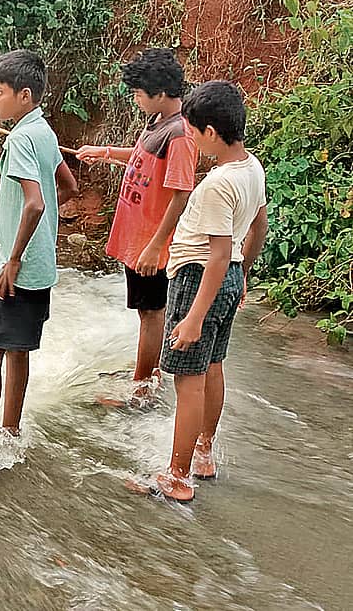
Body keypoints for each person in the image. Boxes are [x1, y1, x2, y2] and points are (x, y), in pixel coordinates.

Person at [154, 80, 268, 502]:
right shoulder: (252, 168)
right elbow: (258, 228)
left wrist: (193, 318)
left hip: (198, 279)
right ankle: (203, 453)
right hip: (228, 278)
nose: (191, 139)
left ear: (212, 133)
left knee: (188, 380)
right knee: (213, 365)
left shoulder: (219, 184)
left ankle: (177, 477)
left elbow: (217, 254)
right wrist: (243, 276)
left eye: (193, 132)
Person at [0, 49, 79, 465]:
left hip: (17, 270)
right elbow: (66, 188)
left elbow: (34, 204)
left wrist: (13, 256)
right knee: (18, 352)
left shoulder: (18, 139)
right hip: (41, 268)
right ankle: (11, 433)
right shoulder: (43, 131)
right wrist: (11, 221)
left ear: (25, 95)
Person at [76, 49, 198, 407]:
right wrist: (105, 152)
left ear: (160, 92)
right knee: (146, 311)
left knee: (152, 312)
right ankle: (147, 372)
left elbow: (181, 193)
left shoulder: (180, 134)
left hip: (151, 241)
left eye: (139, 93)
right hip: (138, 235)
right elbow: (142, 157)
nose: (135, 99)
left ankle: (142, 387)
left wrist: (156, 246)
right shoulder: (159, 122)